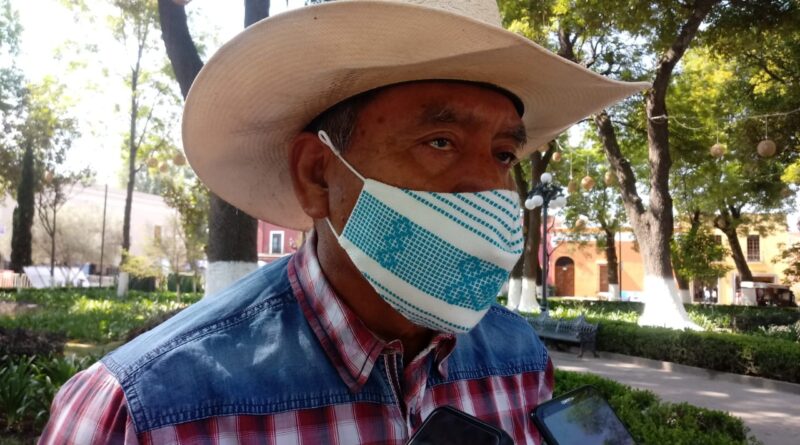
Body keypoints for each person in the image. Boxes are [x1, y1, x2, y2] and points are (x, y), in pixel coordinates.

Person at [39, 1, 647, 443]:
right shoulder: (144, 411)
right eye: (439, 141)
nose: (488, 187)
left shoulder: (518, 359)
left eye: (505, 155)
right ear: (318, 175)